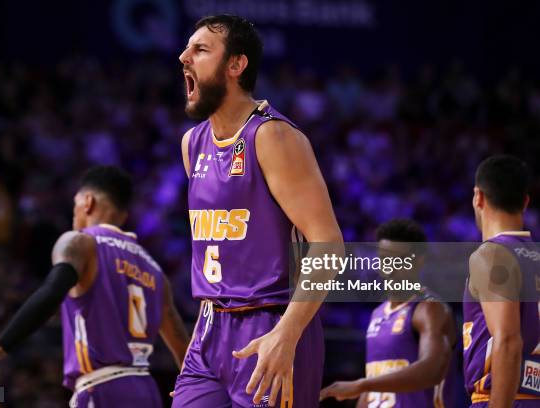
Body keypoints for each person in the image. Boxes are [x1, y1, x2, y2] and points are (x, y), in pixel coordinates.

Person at [175, 14, 344, 408]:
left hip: (273, 321)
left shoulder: (273, 136)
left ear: (236, 64)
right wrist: (201, 338)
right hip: (209, 327)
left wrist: (287, 334)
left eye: (200, 49)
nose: (183, 57)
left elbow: (330, 245)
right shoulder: (192, 144)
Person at [0, 166, 189, 407]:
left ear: (87, 202)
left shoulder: (81, 242)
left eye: (74, 206)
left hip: (102, 389)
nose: (74, 215)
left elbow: (50, 294)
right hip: (147, 392)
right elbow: (184, 351)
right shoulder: (153, 269)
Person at [320, 218, 458, 407]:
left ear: (418, 262)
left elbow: (431, 370)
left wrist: (361, 385)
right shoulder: (378, 313)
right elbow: (373, 384)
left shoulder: (430, 310)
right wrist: (364, 388)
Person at [464, 155, 540, 407]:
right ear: (525, 202)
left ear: (479, 197)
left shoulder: (492, 254)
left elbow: (508, 340)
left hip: (502, 398)